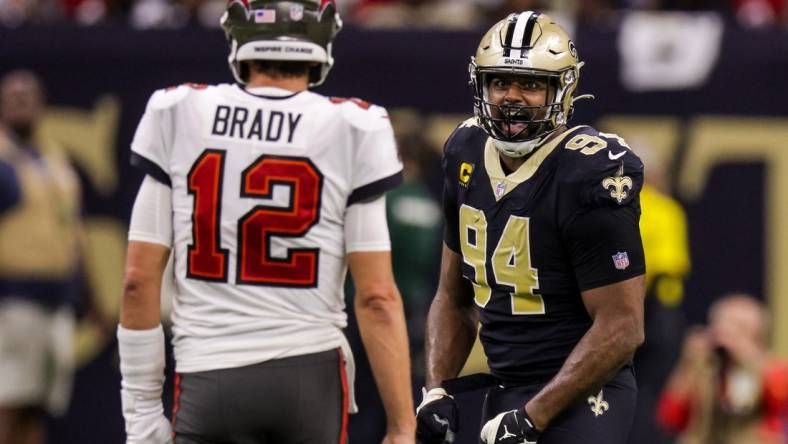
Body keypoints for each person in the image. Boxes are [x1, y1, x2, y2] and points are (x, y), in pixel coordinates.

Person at [117, 1, 415, 443]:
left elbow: (138, 282)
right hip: (310, 376)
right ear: (321, 43)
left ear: (239, 40)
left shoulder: (179, 110)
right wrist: (401, 427)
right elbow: (376, 297)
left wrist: (141, 414)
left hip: (208, 374)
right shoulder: (355, 124)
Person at [415, 11, 647, 444]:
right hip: (506, 389)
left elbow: (622, 326)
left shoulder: (588, 172)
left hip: (586, 391)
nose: (512, 97)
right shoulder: (464, 152)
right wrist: (436, 388)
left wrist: (533, 415)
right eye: (500, 82)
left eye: (531, 84)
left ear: (563, 90)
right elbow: (453, 296)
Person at [0, 70, 82, 444]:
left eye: (28, 96)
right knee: (9, 403)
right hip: (12, 303)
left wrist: (89, 294)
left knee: (37, 407)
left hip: (56, 302)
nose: (21, 102)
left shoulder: (53, 159)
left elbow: (72, 231)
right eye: (13, 96)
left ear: (42, 105)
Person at [656, 293, 788, 444]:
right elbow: (670, 418)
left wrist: (745, 357)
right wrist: (688, 366)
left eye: (739, 329)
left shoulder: (771, 369)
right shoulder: (705, 369)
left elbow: (773, 404)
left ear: (757, 337)